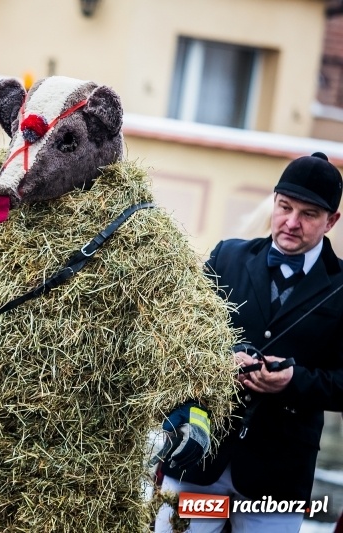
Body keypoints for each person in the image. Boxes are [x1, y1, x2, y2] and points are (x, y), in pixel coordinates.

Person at [154, 152, 343, 532]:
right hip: (200, 464)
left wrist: (294, 381)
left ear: (331, 221)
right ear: (274, 201)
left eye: (307, 215)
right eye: (285, 207)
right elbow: (180, 336)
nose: (291, 223)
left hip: (276, 482)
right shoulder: (227, 256)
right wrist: (222, 360)